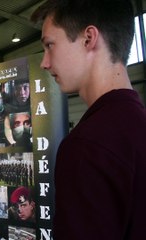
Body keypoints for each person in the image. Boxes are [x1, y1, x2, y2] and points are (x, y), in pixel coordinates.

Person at [31, 0, 146, 239]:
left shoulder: (87, 147)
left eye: (50, 45)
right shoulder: (137, 124)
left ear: (88, 38)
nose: (44, 62)